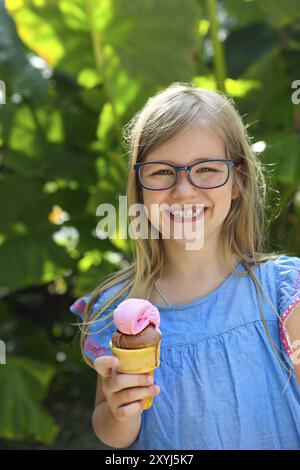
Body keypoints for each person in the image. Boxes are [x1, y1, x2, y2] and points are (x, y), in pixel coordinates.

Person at [69, 83, 300, 450]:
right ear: (139, 185)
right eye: (162, 172)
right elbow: (112, 432)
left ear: (238, 179)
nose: (184, 190)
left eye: (206, 169)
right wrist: (119, 409)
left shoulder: (282, 294)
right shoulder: (120, 310)